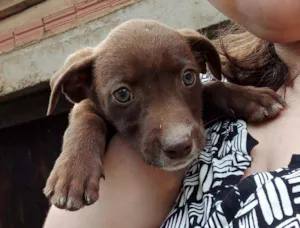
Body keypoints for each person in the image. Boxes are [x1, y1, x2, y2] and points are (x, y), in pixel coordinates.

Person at [43, 0, 300, 227]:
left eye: (188, 78)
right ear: (77, 86)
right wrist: (85, 128)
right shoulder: (234, 71)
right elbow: (93, 103)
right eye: (123, 95)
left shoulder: (213, 84)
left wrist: (218, 92)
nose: (176, 137)